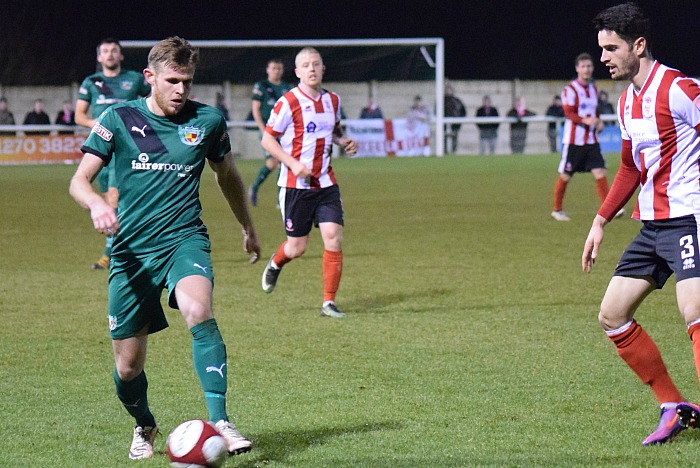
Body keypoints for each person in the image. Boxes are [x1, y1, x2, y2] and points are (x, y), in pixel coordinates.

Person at [69, 36, 260, 461]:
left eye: (187, 82)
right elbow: (79, 180)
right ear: (150, 78)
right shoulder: (118, 116)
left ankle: (222, 422)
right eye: (172, 80)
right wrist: (97, 203)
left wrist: (247, 225)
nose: (180, 90)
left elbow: (226, 175)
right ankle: (144, 423)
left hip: (183, 238)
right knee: (128, 368)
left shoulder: (207, 121)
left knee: (198, 309)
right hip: (132, 252)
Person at [582, 2, 700, 446]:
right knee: (612, 315)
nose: (604, 58)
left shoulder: (680, 89)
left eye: (612, 48)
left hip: (690, 217)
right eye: (601, 50)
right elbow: (630, 169)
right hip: (651, 227)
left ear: (639, 45)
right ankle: (674, 406)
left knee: (695, 310)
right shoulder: (628, 102)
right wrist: (599, 221)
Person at [260, 47, 357, 318]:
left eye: (316, 64)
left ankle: (329, 302)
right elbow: (268, 140)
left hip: (326, 183)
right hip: (295, 187)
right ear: (297, 72)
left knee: (333, 238)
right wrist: (291, 163)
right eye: (306, 65)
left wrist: (343, 141)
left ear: (323, 68)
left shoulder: (333, 101)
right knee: (297, 247)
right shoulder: (287, 102)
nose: (312, 68)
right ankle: (276, 263)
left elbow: (333, 130)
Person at [75, 38, 151, 270]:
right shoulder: (91, 82)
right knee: (109, 200)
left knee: (116, 198)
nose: (109, 54)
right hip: (100, 149)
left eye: (114, 50)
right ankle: (129, 246)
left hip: (127, 149)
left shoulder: (134, 79)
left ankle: (112, 254)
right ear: (99, 57)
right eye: (105, 51)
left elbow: (153, 100)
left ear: (121, 56)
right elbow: (79, 115)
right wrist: (94, 123)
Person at [551, 53, 620, 222]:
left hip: (591, 140)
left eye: (589, 66)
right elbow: (569, 113)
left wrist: (599, 121)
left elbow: (594, 110)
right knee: (566, 174)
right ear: (577, 69)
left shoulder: (593, 88)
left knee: (600, 171)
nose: (586, 69)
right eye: (583, 66)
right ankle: (557, 209)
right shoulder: (571, 89)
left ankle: (609, 209)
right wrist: (585, 120)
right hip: (575, 141)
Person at [248, 58, 293, 207]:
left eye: (279, 68)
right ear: (268, 70)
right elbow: (255, 109)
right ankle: (255, 188)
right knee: (274, 162)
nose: (276, 71)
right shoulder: (261, 86)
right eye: (273, 68)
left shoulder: (287, 87)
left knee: (281, 163)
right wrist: (263, 129)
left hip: (284, 131)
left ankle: (279, 197)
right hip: (268, 130)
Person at [444, 84, 466, 153]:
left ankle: (453, 152)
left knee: (454, 138)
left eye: (450, 89)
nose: (449, 91)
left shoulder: (457, 101)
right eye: (447, 89)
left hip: (455, 124)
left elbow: (463, 112)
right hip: (444, 124)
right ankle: (445, 152)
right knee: (445, 138)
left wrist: (458, 122)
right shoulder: (442, 101)